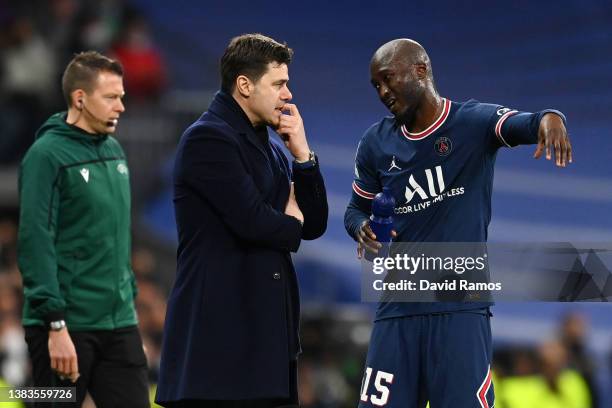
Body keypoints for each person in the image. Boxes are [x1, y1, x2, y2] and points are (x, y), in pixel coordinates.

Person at [344, 39, 572, 408]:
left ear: (420, 71)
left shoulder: (472, 122)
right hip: (397, 307)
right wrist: (361, 228)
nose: (383, 92)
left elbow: (523, 124)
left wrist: (551, 118)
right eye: (376, 86)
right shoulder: (375, 142)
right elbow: (355, 209)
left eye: (387, 79)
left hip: (460, 308)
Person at [155, 34, 328, 408]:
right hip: (219, 343)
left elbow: (313, 225)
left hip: (265, 339)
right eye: (279, 84)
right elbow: (255, 223)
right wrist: (290, 221)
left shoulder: (271, 147)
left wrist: (302, 156)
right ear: (245, 85)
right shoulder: (207, 139)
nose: (288, 94)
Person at [17, 51, 149, 407]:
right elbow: (34, 239)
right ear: (80, 98)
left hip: (119, 324)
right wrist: (55, 325)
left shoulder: (115, 151)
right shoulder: (46, 156)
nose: (121, 106)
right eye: (111, 97)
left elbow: (115, 235)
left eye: (121, 96)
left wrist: (129, 301)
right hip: (65, 327)